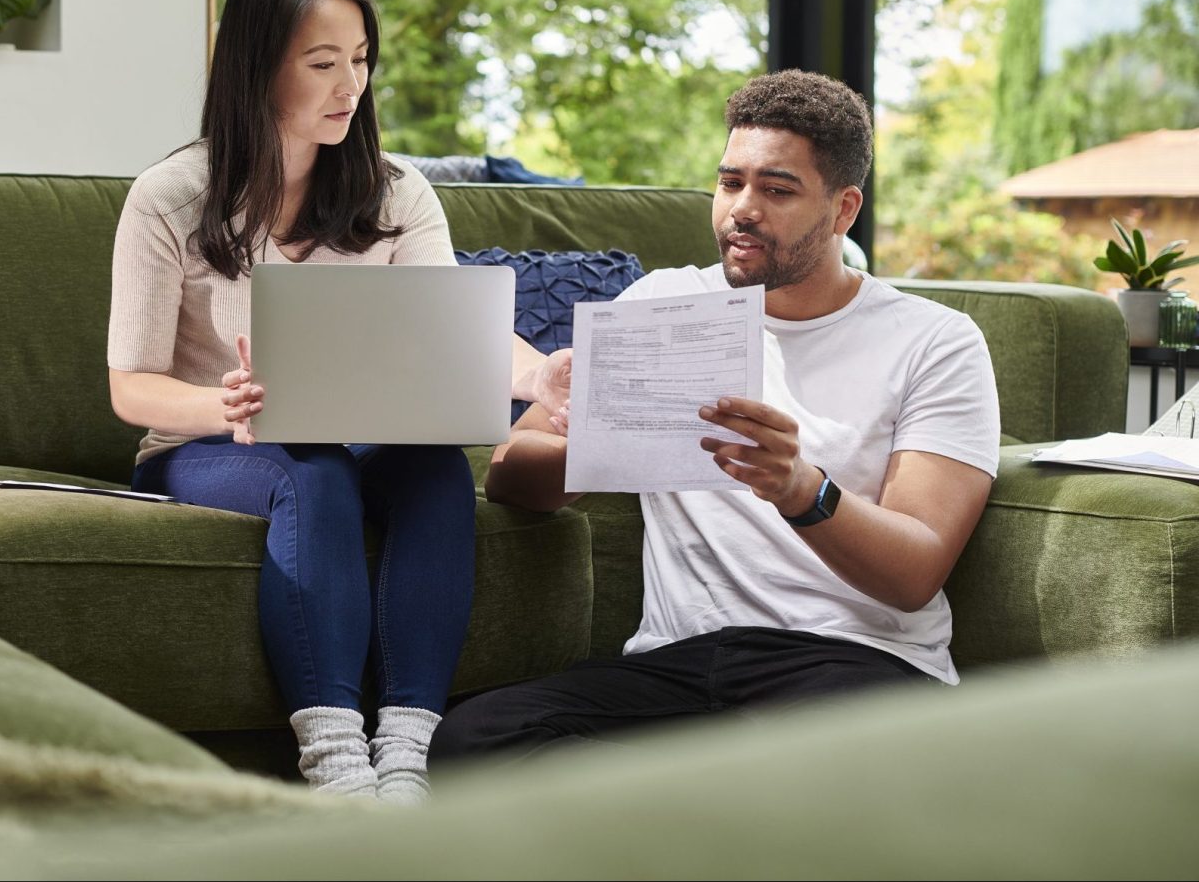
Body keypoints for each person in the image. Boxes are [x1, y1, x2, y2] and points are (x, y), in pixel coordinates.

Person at [428, 69, 1001, 766]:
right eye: (731, 183)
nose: (741, 210)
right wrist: (593, 442)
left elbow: (915, 573)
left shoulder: (934, 341)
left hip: (852, 661)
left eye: (777, 189)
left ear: (844, 209)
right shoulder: (659, 305)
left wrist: (801, 489)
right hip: (679, 665)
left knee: (825, 762)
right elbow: (511, 479)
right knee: (473, 742)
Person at [106, 0, 567, 803]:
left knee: (431, 468)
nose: (349, 84)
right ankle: (336, 766)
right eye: (322, 64)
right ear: (257, 67)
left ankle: (404, 760)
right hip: (210, 446)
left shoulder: (396, 193)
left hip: (354, 438)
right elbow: (131, 386)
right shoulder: (169, 197)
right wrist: (223, 404)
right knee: (308, 465)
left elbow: (455, 324)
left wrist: (542, 376)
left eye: (360, 60)